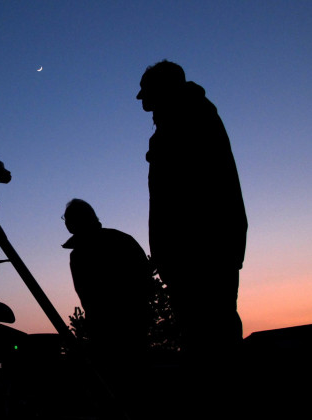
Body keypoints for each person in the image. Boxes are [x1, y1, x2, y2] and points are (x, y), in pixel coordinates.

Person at [137, 60, 247, 418]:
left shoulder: (187, 120)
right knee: (208, 335)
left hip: (200, 252)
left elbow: (187, 198)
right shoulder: (186, 118)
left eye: (147, 95)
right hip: (199, 250)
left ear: (162, 90)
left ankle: (218, 411)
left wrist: (172, 253)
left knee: (210, 339)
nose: (143, 105)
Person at [62, 199, 154, 417]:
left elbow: (87, 295)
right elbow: (146, 279)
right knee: (134, 384)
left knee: (114, 387)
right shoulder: (123, 240)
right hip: (133, 325)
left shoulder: (79, 254)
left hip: (108, 330)